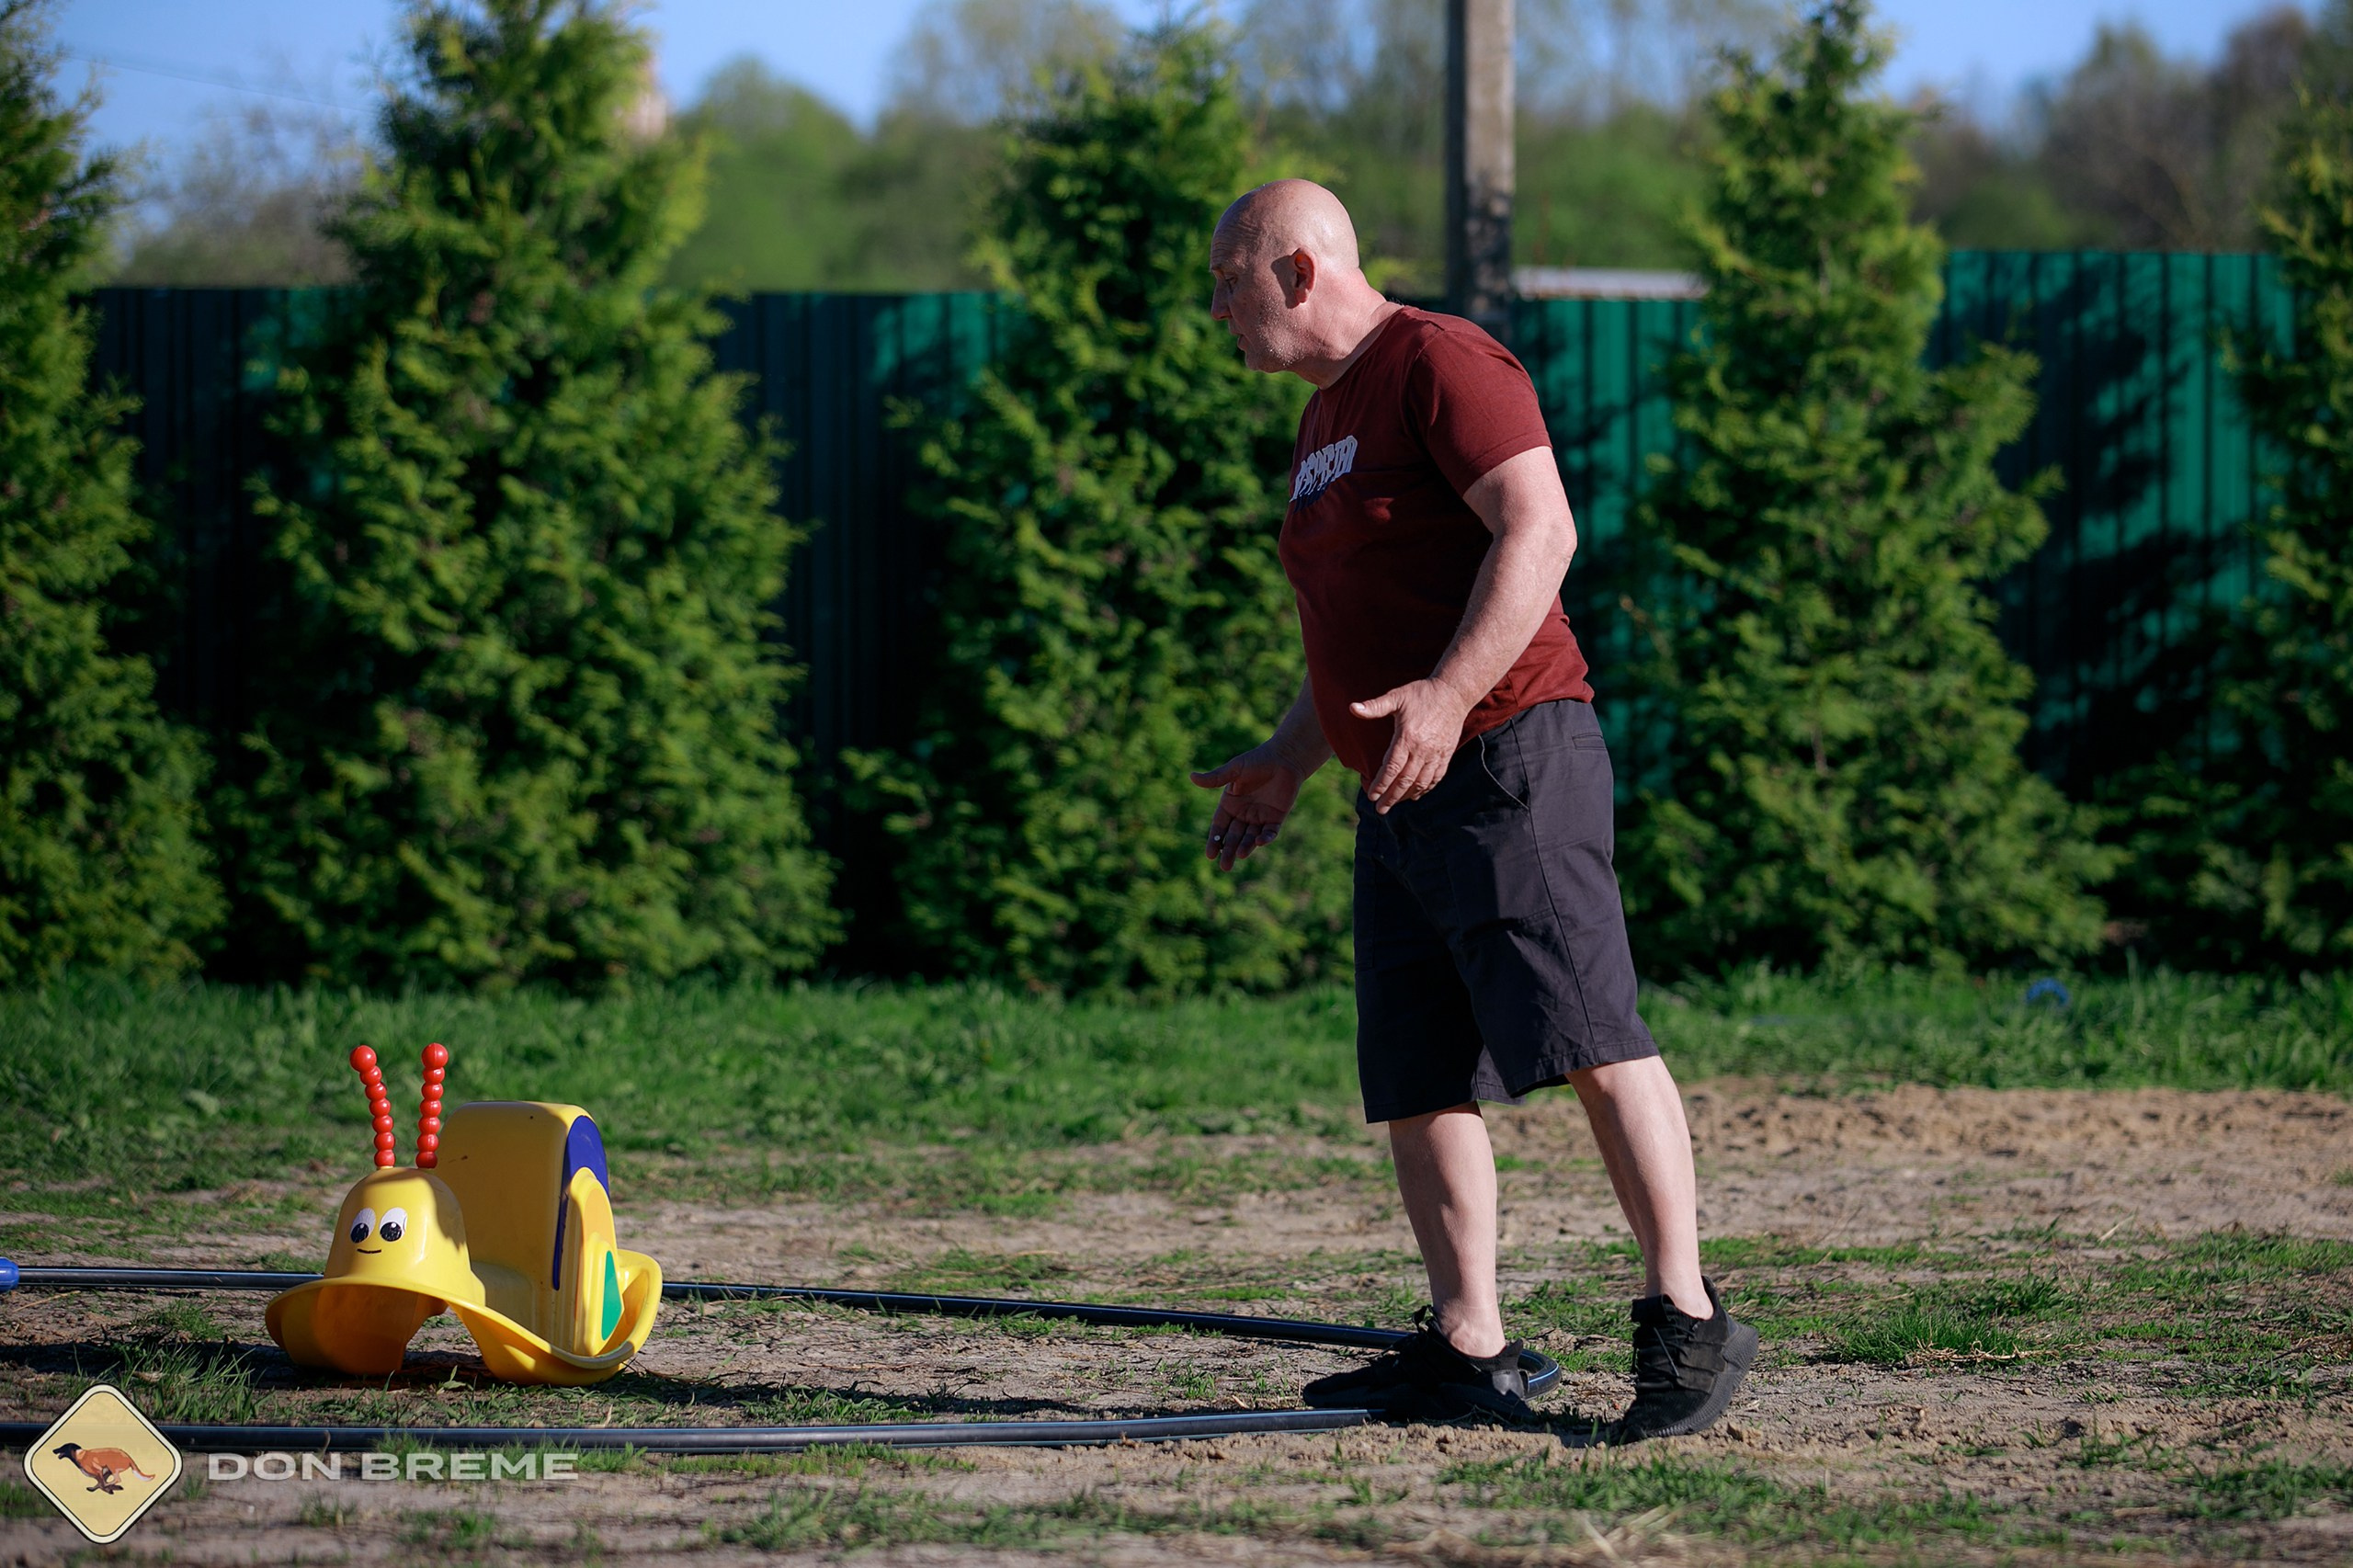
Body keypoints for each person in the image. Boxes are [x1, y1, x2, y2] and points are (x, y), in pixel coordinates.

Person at [1190, 179, 1756, 1437]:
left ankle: (1688, 1313)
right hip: (1402, 785)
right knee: (1415, 1070)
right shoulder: (1323, 418)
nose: (1215, 307)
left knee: (1588, 1028)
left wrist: (1447, 698)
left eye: (1227, 280)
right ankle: (1468, 1343)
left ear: (1296, 270)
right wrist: (1295, 751)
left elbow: (1539, 531)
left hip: (1509, 754)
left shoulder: (1439, 360)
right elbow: (1352, 622)